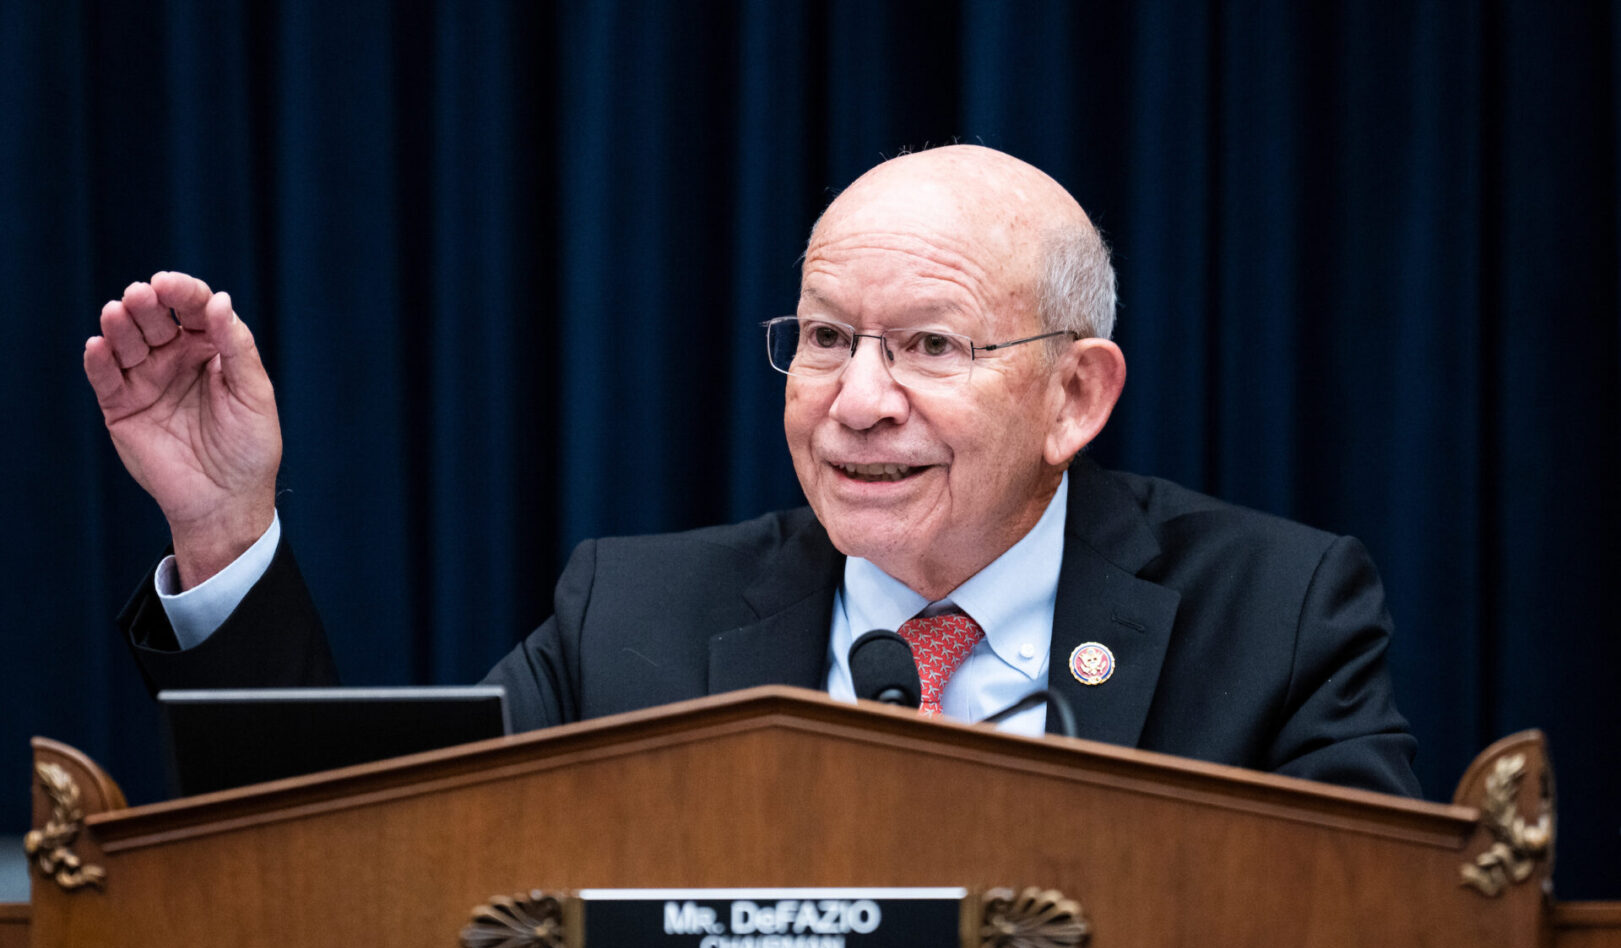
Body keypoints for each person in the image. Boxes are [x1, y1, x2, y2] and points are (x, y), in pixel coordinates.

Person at [83, 146, 1421, 796]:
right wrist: (222, 524)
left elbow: (1379, 946)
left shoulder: (1275, 612)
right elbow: (345, 855)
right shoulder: (635, 620)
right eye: (826, 339)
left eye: (929, 347)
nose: (857, 402)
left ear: (1076, 393)